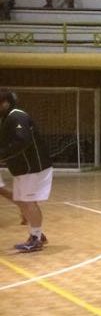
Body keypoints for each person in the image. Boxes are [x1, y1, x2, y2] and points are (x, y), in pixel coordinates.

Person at [0, 89, 54, 252]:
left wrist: (2, 154)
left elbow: (22, 141)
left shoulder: (17, 116)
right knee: (24, 202)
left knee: (29, 203)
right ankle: (37, 234)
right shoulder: (7, 119)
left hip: (33, 167)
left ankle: (36, 239)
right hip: (23, 168)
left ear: (5, 102)